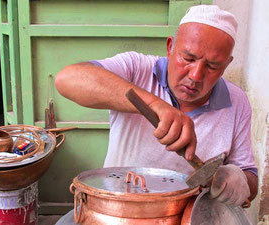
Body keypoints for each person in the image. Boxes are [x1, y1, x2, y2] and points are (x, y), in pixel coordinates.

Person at [55, 4, 258, 224]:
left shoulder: (237, 102)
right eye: (188, 58)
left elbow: (251, 182)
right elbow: (67, 79)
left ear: (227, 65)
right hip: (117, 209)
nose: (196, 75)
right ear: (170, 46)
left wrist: (238, 180)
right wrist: (155, 105)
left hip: (187, 216)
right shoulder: (136, 69)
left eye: (212, 66)